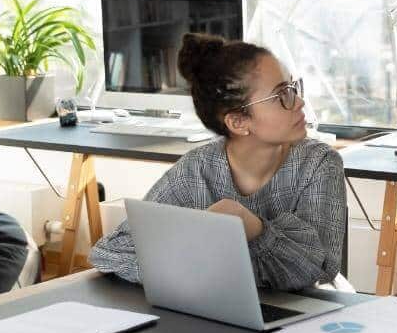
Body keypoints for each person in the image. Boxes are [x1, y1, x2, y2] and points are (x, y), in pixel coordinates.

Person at [89, 33, 346, 290]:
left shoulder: (318, 163)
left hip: (304, 315)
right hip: (219, 308)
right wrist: (193, 246)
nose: (299, 101)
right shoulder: (195, 171)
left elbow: (321, 267)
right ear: (238, 122)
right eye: (281, 95)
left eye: (292, 87)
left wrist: (255, 229)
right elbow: (110, 253)